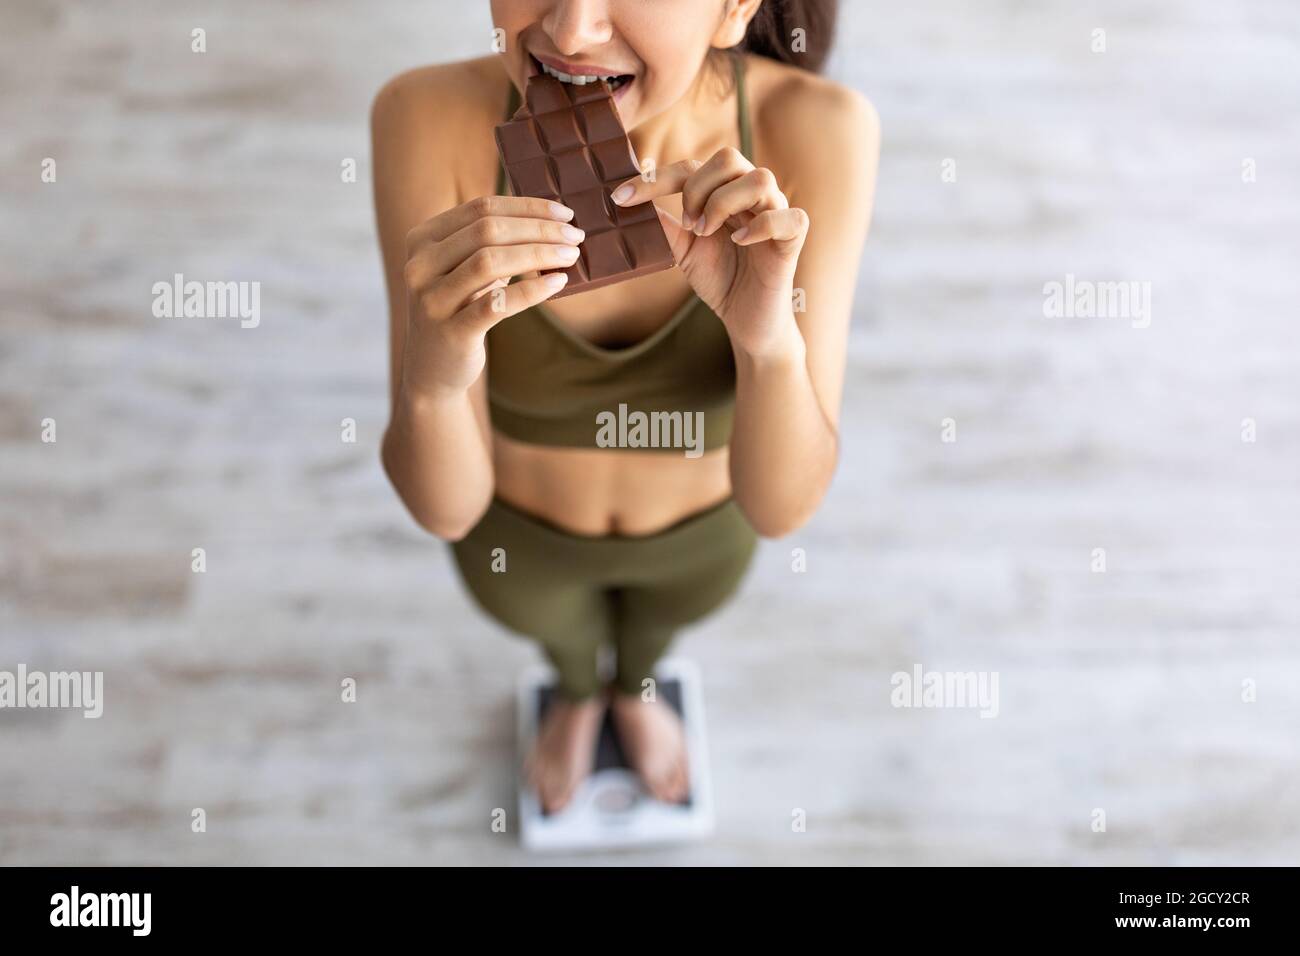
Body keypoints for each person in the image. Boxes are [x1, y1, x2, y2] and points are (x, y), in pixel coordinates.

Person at [372, 0, 878, 813]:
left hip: (698, 550)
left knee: (649, 651)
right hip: (516, 550)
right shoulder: (423, 116)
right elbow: (447, 510)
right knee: (566, 653)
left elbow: (781, 508)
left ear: (735, 10)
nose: (570, 31)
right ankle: (577, 696)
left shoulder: (819, 130)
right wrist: (434, 376)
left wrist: (766, 342)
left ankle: (637, 692)